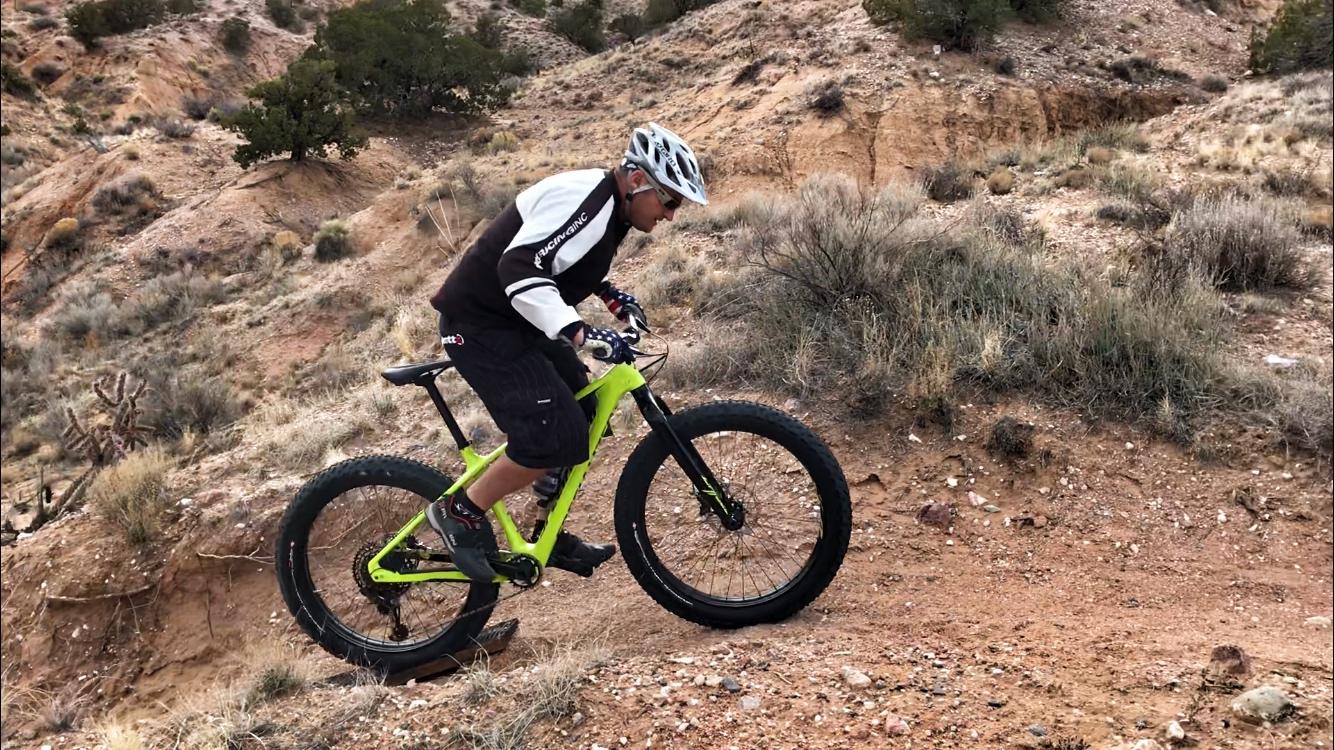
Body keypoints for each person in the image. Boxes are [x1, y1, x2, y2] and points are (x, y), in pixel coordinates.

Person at [426, 123, 709, 582]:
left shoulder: (610, 207)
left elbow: (564, 257)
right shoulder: (589, 200)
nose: (671, 215)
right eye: (670, 201)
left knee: (584, 409)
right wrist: (579, 332)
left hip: (515, 322)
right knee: (550, 436)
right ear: (639, 180)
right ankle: (459, 513)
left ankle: (547, 533)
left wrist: (609, 294)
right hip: (479, 326)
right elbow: (519, 266)